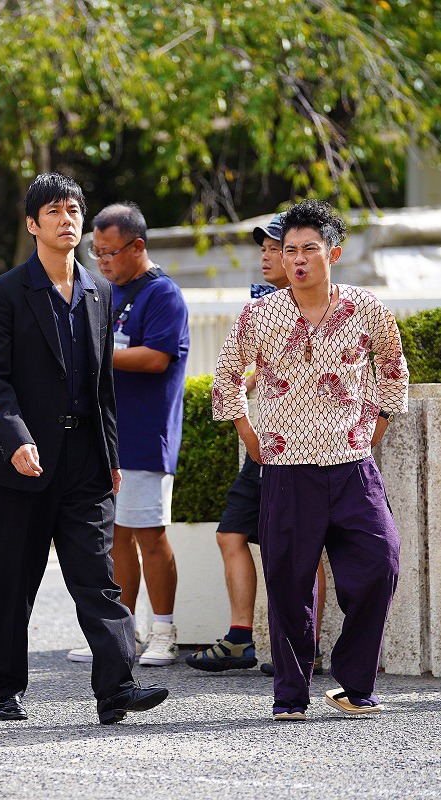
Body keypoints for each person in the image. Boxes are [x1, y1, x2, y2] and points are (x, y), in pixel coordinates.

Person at [0, 173, 168, 725]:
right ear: (33, 225)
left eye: (74, 210)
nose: (67, 219)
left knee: (97, 578)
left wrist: (111, 457)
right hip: (24, 464)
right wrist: (16, 439)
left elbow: (103, 385)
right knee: (11, 580)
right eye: (54, 211)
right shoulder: (5, 293)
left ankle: (117, 689)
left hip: (85, 458)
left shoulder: (99, 292)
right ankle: (4, 688)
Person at [212, 199, 407, 721]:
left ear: (333, 253)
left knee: (380, 564)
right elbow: (227, 375)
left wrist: (376, 424)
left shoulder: (366, 307)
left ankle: (353, 684)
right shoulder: (261, 314)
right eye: (289, 250)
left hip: (352, 466)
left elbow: (393, 367)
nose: (296, 260)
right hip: (285, 469)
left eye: (308, 249)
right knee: (289, 582)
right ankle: (290, 697)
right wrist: (249, 434)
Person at [187, 213, 328, 676]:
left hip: (309, 449)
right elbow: (240, 370)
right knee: (231, 533)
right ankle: (240, 639)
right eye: (269, 249)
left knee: (307, 547)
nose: (269, 257)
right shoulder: (260, 302)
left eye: (278, 248)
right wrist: (248, 432)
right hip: (263, 448)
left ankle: (306, 649)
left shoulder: (327, 304)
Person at [65, 203, 189, 667]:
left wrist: (93, 353)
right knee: (114, 535)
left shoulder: (163, 294)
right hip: (105, 436)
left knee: (149, 535)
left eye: (110, 252)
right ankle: (125, 629)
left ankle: (164, 630)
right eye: (95, 253)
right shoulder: (104, 291)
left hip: (144, 435)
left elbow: (157, 357)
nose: (102, 261)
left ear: (138, 246)